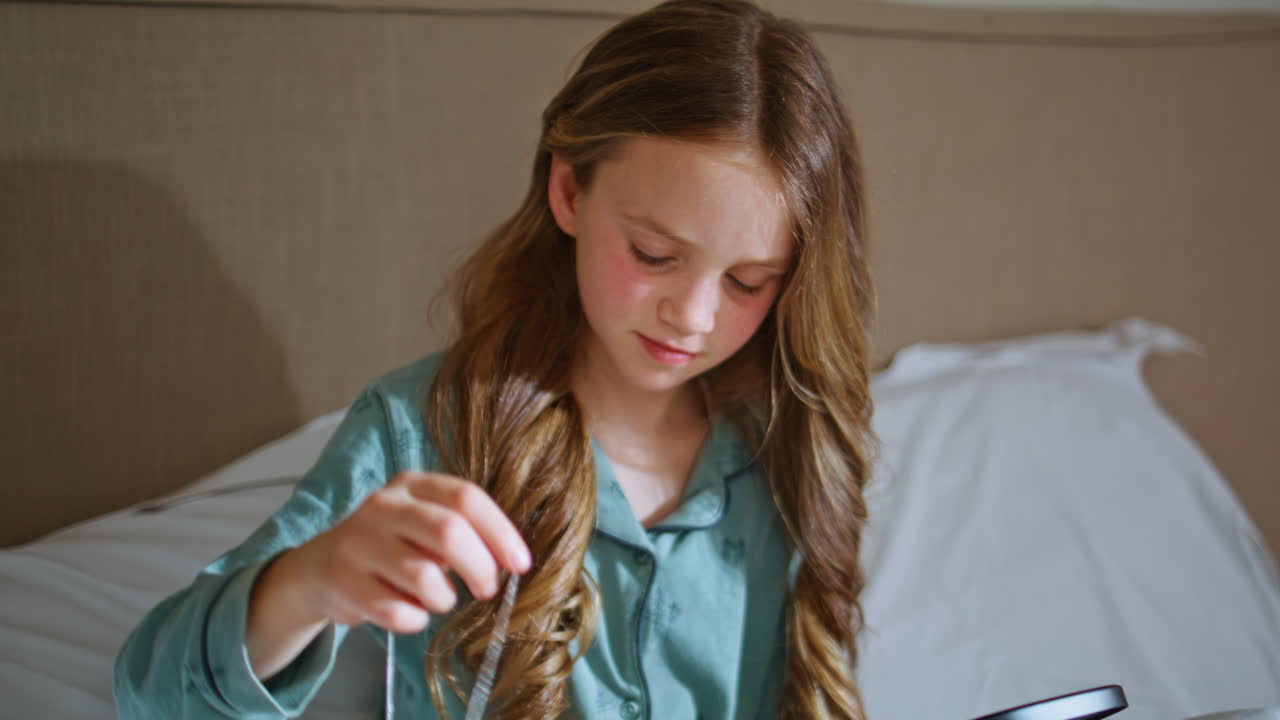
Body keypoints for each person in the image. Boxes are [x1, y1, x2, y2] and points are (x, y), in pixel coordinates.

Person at [114, 0, 876, 717]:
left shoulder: (787, 447)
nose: (694, 315)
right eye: (653, 253)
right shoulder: (420, 434)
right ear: (569, 190)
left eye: (748, 282)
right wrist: (311, 582)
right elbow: (153, 694)